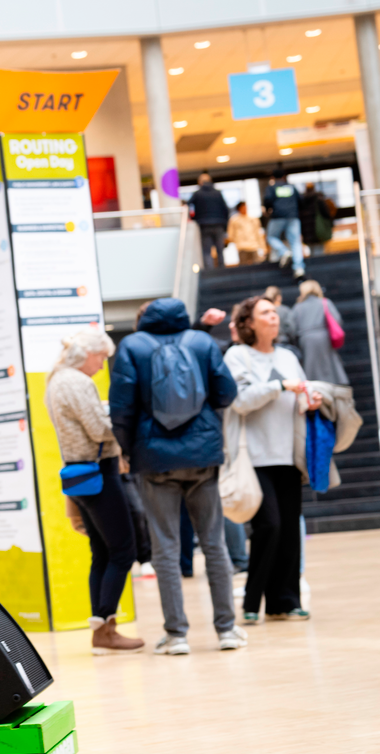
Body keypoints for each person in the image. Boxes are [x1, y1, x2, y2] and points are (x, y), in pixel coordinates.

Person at [109, 297, 244, 656]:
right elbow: (227, 392)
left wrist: (129, 448)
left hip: (154, 459)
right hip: (202, 455)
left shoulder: (132, 346)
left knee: (165, 548)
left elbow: (121, 408)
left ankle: (177, 634)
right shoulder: (202, 342)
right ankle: (227, 629)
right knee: (213, 543)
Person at [44, 329, 143, 654]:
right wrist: (122, 424)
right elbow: (99, 429)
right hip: (99, 471)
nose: (102, 366)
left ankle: (102, 627)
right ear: (88, 354)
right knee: (123, 550)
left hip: (79, 472)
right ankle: (106, 629)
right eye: (101, 357)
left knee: (101, 552)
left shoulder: (56, 379)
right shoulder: (76, 382)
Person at [225, 295, 319, 624]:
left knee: (290, 528)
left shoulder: (288, 356)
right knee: (270, 524)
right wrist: (280, 385)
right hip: (254, 457)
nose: (274, 317)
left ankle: (284, 602)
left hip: (289, 454)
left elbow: (302, 392)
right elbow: (239, 400)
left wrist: (312, 398)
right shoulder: (237, 356)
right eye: (266, 312)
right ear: (248, 322)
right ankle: (252, 601)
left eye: (275, 312)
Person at [288, 279, 348, 385]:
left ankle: (313, 387)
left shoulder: (298, 307)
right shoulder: (325, 302)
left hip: (306, 340)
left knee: (310, 367)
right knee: (329, 365)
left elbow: (292, 328)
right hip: (324, 337)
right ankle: (334, 386)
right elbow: (337, 319)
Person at [263, 168, 304, 279]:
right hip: (293, 216)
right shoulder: (291, 187)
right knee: (295, 242)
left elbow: (267, 200)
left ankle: (284, 251)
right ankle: (299, 268)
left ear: (273, 177)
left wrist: (268, 210)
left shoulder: (271, 188)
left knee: (271, 237)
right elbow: (300, 200)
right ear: (284, 176)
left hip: (278, 216)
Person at [189, 173, 231, 269]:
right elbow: (225, 209)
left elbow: (188, 205)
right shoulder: (217, 193)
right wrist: (225, 223)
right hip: (218, 224)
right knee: (220, 249)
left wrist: (193, 219)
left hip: (204, 225)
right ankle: (222, 270)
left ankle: (210, 272)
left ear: (200, 182)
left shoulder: (197, 194)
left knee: (206, 251)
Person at [226, 200, 265, 265]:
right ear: (239, 209)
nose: (245, 209)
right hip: (242, 246)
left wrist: (263, 247)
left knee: (257, 265)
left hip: (253, 245)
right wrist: (235, 241)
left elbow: (258, 233)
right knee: (244, 266)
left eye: (246, 207)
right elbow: (230, 234)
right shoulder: (234, 220)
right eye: (243, 207)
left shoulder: (253, 219)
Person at [299, 181, 334, 248]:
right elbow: (326, 213)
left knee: (311, 249)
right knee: (319, 249)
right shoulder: (318, 199)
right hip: (319, 228)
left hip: (306, 230)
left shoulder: (302, 200)